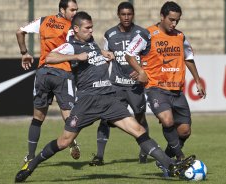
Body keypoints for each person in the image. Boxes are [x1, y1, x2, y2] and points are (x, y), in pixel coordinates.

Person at [15, 11, 195, 183]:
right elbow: (50, 57)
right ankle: (32, 165)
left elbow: (94, 52)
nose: (91, 31)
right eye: (87, 28)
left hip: (109, 98)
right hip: (88, 101)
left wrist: (103, 53)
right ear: (76, 29)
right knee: (64, 141)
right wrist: (77, 56)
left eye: (92, 27)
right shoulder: (71, 45)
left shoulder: (91, 42)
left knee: (139, 130)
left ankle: (170, 165)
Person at [125, 0, 206, 174]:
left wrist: (198, 81)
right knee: (167, 120)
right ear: (162, 17)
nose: (174, 23)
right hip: (156, 88)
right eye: (171, 19)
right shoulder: (147, 34)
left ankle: (166, 161)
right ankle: (179, 158)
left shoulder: (180, 36)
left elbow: (188, 58)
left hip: (177, 90)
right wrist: (140, 71)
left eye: (177, 20)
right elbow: (129, 54)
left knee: (184, 131)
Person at [15, 0, 80, 162]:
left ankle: (30, 156)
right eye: (72, 10)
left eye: (76, 10)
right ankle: (71, 142)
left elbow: (19, 32)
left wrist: (25, 52)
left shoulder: (43, 20)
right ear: (62, 9)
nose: (75, 13)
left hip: (43, 73)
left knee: (37, 118)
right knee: (69, 116)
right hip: (63, 73)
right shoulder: (73, 27)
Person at [89, 1, 149, 166]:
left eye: (129, 14)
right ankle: (99, 156)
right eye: (123, 14)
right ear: (118, 15)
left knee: (140, 117)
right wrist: (102, 79)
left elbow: (148, 58)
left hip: (135, 86)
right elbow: (107, 58)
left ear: (133, 15)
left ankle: (144, 151)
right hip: (116, 85)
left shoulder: (141, 33)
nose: (126, 17)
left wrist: (143, 71)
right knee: (105, 117)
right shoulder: (110, 34)